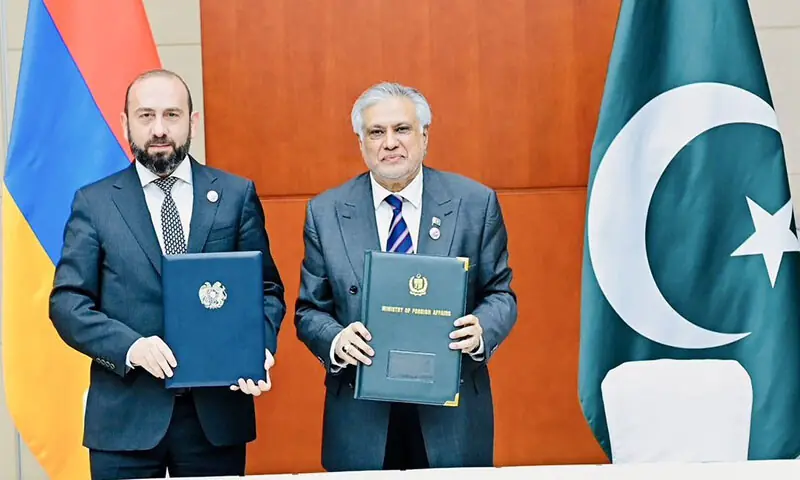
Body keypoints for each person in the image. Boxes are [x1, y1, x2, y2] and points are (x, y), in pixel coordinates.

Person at [48, 69, 286, 479]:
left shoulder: (234, 195)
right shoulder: (95, 203)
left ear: (192, 122)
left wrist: (257, 349)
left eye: (172, 115)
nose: (159, 129)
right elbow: (68, 303)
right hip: (125, 421)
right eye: (145, 116)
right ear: (125, 124)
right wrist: (131, 347)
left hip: (215, 419)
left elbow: (265, 289)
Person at [294, 81, 517, 471]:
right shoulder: (326, 213)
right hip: (363, 414)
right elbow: (310, 310)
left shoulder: (475, 203)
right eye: (376, 132)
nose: (389, 142)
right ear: (360, 144)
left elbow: (501, 294)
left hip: (452, 413)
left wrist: (482, 329)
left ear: (424, 137)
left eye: (402, 129)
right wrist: (335, 340)